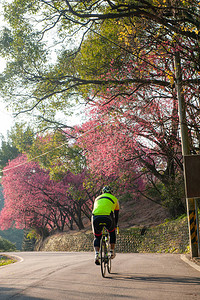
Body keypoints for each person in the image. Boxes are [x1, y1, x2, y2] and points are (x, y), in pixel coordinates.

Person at [91, 186, 119, 265]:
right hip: (107, 217)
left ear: (102, 192)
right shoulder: (115, 199)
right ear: (111, 192)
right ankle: (112, 252)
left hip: (95, 217)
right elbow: (116, 215)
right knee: (112, 232)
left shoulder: (97, 198)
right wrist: (115, 225)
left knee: (97, 236)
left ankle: (96, 254)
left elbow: (95, 209)